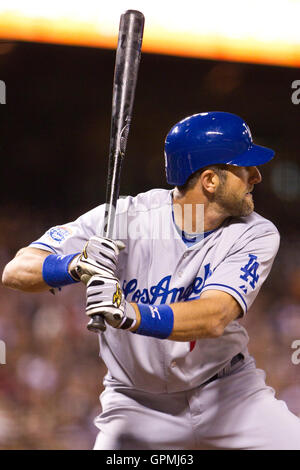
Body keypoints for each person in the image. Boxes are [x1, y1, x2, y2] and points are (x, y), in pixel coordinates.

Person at [3, 111, 300, 450]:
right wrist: (75, 264)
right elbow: (16, 270)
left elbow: (215, 316)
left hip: (228, 395)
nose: (256, 176)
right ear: (210, 181)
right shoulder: (126, 218)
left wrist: (131, 314)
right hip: (135, 403)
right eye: (243, 168)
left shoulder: (256, 232)